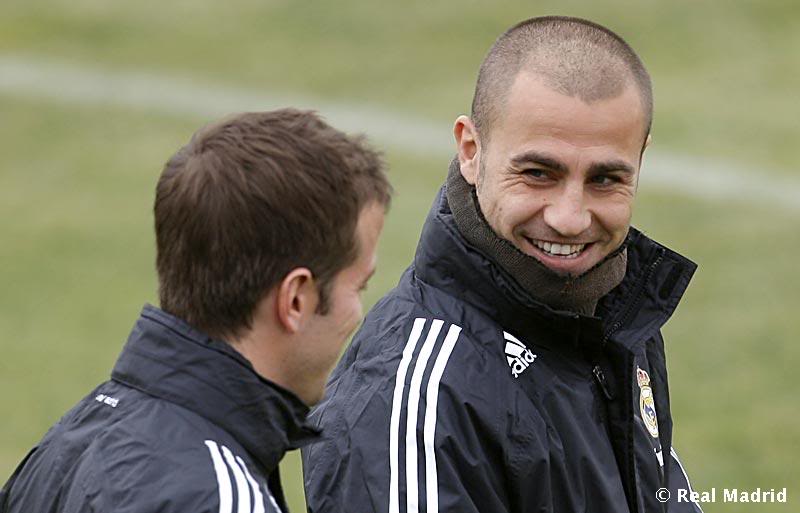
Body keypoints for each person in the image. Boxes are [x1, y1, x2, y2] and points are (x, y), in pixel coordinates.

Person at [303, 16, 703, 512]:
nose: (570, 219)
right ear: (471, 152)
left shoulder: (610, 315)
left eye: (605, 180)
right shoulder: (409, 404)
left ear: (640, 160)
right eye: (538, 173)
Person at [0, 109, 391, 513]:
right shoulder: (224, 500)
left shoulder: (67, 444)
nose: (358, 313)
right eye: (358, 286)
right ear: (295, 300)